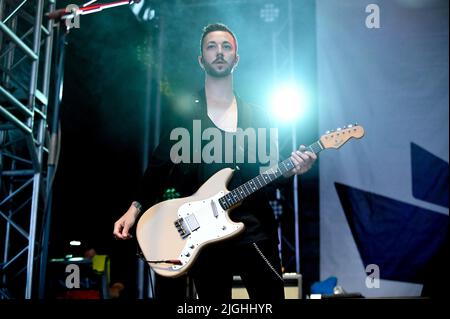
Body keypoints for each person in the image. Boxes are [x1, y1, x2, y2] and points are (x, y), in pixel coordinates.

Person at [113, 23, 316, 301]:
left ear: (236, 58)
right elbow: (159, 167)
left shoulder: (257, 116)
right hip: (203, 234)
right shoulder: (185, 116)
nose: (219, 52)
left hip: (253, 229)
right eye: (211, 47)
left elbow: (270, 171)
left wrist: (294, 168)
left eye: (226, 46)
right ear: (201, 59)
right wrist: (135, 208)